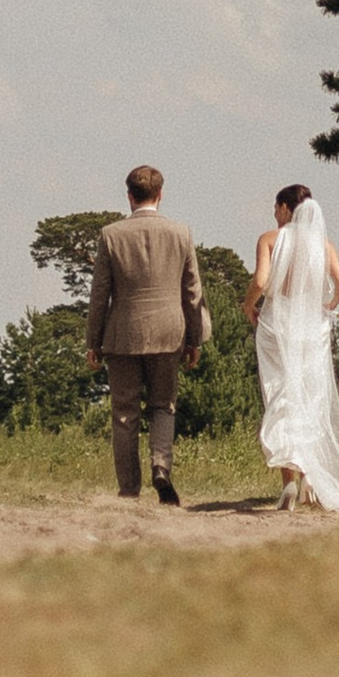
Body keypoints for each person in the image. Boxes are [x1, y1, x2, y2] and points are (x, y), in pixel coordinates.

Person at [84, 164, 208, 506]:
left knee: (124, 413)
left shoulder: (111, 235)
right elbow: (192, 291)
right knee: (163, 407)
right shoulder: (181, 233)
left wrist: (92, 341)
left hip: (122, 334)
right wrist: (194, 338)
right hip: (169, 332)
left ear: (129, 196)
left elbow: (99, 293)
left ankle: (128, 490)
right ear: (160, 194)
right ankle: (160, 466)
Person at [245, 182, 339, 515]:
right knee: (310, 397)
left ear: (286, 209)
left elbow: (260, 282)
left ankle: (288, 481)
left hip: (277, 326)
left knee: (281, 395)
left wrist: (247, 307)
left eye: (276, 208)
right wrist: (327, 305)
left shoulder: (270, 240)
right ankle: (311, 476)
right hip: (311, 329)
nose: (274, 214)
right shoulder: (324, 246)